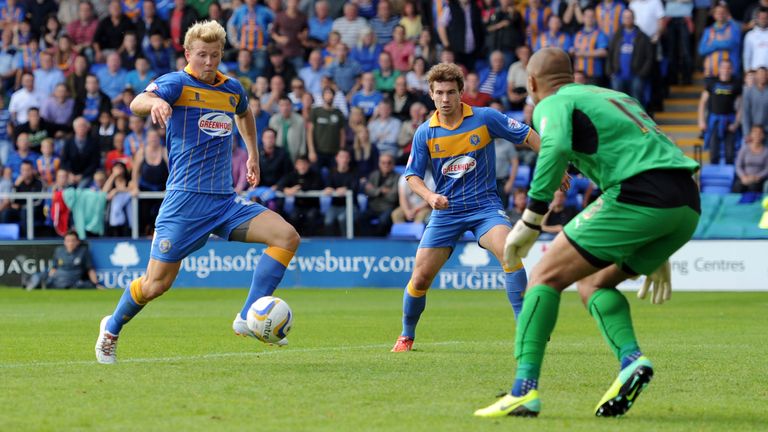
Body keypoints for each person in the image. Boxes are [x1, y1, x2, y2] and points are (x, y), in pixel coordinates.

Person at [474, 47, 700, 419]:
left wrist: (531, 220)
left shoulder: (552, 102)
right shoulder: (614, 96)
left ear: (531, 83)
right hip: (686, 200)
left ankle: (523, 392)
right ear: (572, 72)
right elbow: (660, 151)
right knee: (594, 283)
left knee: (544, 277)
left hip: (638, 194)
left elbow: (556, 145)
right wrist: (658, 239)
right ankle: (631, 361)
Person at [95, 21, 301, 364]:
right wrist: (155, 104)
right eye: (202, 55)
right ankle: (111, 328)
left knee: (286, 237)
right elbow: (137, 101)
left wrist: (252, 153)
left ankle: (247, 316)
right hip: (185, 203)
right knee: (155, 285)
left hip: (224, 201)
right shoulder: (176, 83)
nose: (209, 61)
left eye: (215, 55)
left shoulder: (232, 88)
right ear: (188, 54)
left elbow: (245, 113)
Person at [391, 63, 541, 352]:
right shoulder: (425, 133)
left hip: (484, 207)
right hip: (446, 212)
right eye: (439, 93)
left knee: (509, 249)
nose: (445, 99)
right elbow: (411, 176)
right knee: (420, 278)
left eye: (450, 92)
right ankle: (406, 335)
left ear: (461, 93)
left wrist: (555, 165)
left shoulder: (484, 118)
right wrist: (430, 197)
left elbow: (527, 134)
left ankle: (526, 328)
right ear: (431, 95)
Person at [25, 230, 102, 290]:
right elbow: (53, 268)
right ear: (64, 242)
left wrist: (96, 284)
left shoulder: (83, 251)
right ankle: (31, 284)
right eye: (68, 241)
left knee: (86, 285)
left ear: (77, 242)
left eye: (73, 240)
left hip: (72, 280)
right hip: (56, 278)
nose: (70, 243)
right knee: (41, 274)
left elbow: (90, 269)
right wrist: (48, 277)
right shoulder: (59, 251)